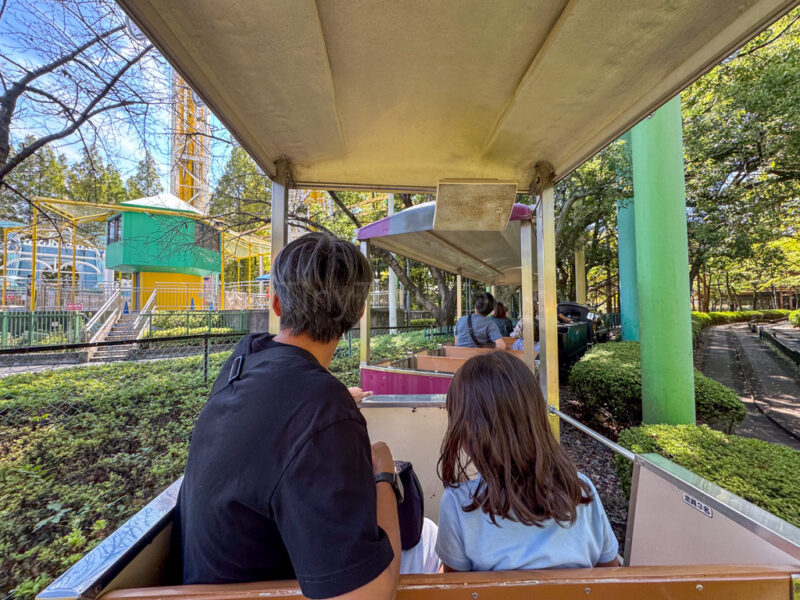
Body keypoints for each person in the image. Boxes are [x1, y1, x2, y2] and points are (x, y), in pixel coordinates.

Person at [178, 232, 401, 600]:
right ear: (359, 312)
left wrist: (330, 409)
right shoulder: (324, 410)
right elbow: (368, 596)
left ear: (276, 303)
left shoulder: (244, 359)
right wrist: (384, 475)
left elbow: (276, 419)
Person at [436, 352, 619, 571]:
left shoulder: (460, 503)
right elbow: (609, 574)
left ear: (467, 429)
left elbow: (454, 588)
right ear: (535, 418)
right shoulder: (581, 492)